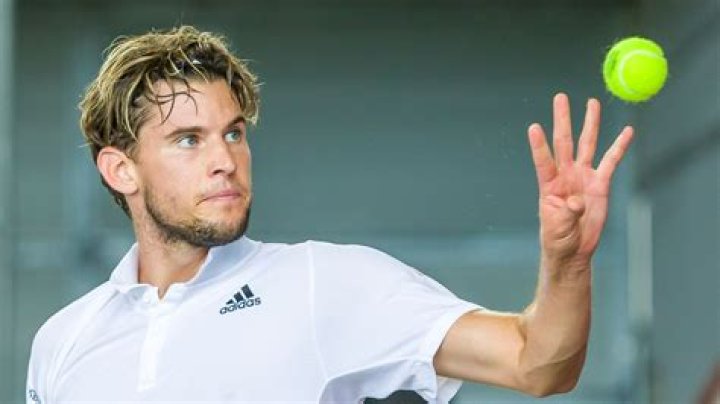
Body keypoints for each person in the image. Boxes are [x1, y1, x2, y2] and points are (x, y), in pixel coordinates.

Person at [26, 25, 633, 403]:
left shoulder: (326, 282)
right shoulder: (62, 340)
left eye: (233, 134)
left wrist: (568, 262)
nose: (225, 161)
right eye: (189, 140)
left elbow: (536, 363)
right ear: (120, 170)